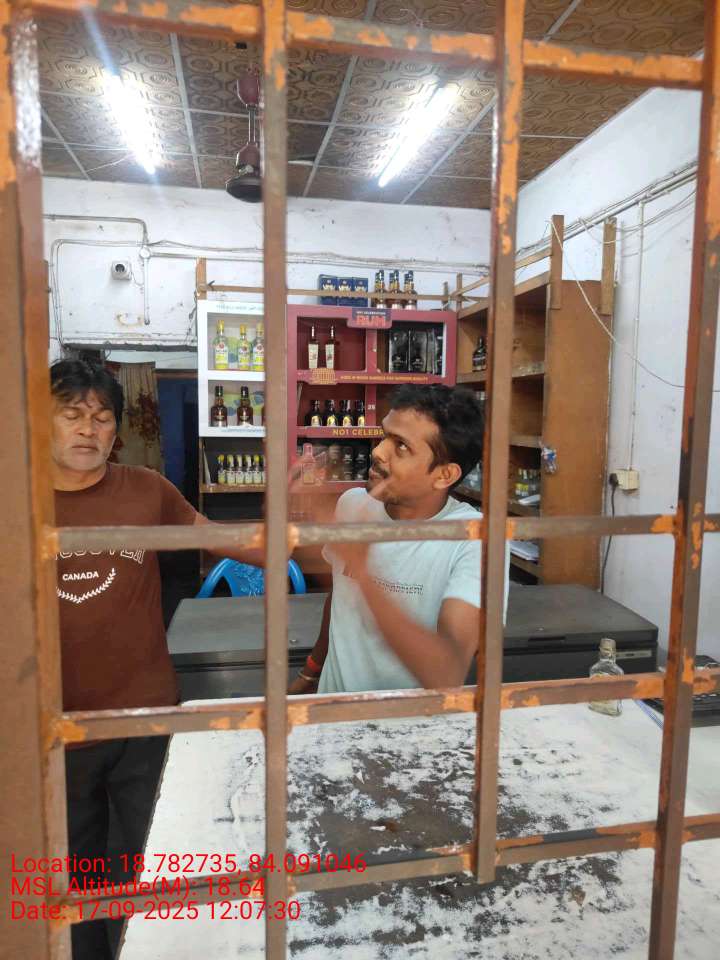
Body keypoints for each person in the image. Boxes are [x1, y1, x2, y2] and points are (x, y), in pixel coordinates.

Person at [51, 360, 263, 960]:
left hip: (144, 714)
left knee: (148, 857)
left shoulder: (145, 490)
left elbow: (217, 536)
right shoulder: (15, 500)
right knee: (71, 865)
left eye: (102, 417)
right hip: (55, 723)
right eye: (72, 415)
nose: (88, 429)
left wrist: (313, 541)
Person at [289, 384, 508, 695]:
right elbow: (341, 599)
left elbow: (448, 672)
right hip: (332, 710)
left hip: (409, 721)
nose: (378, 452)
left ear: (444, 475)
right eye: (385, 436)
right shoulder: (353, 505)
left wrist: (363, 573)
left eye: (401, 446)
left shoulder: (476, 539)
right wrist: (312, 671)